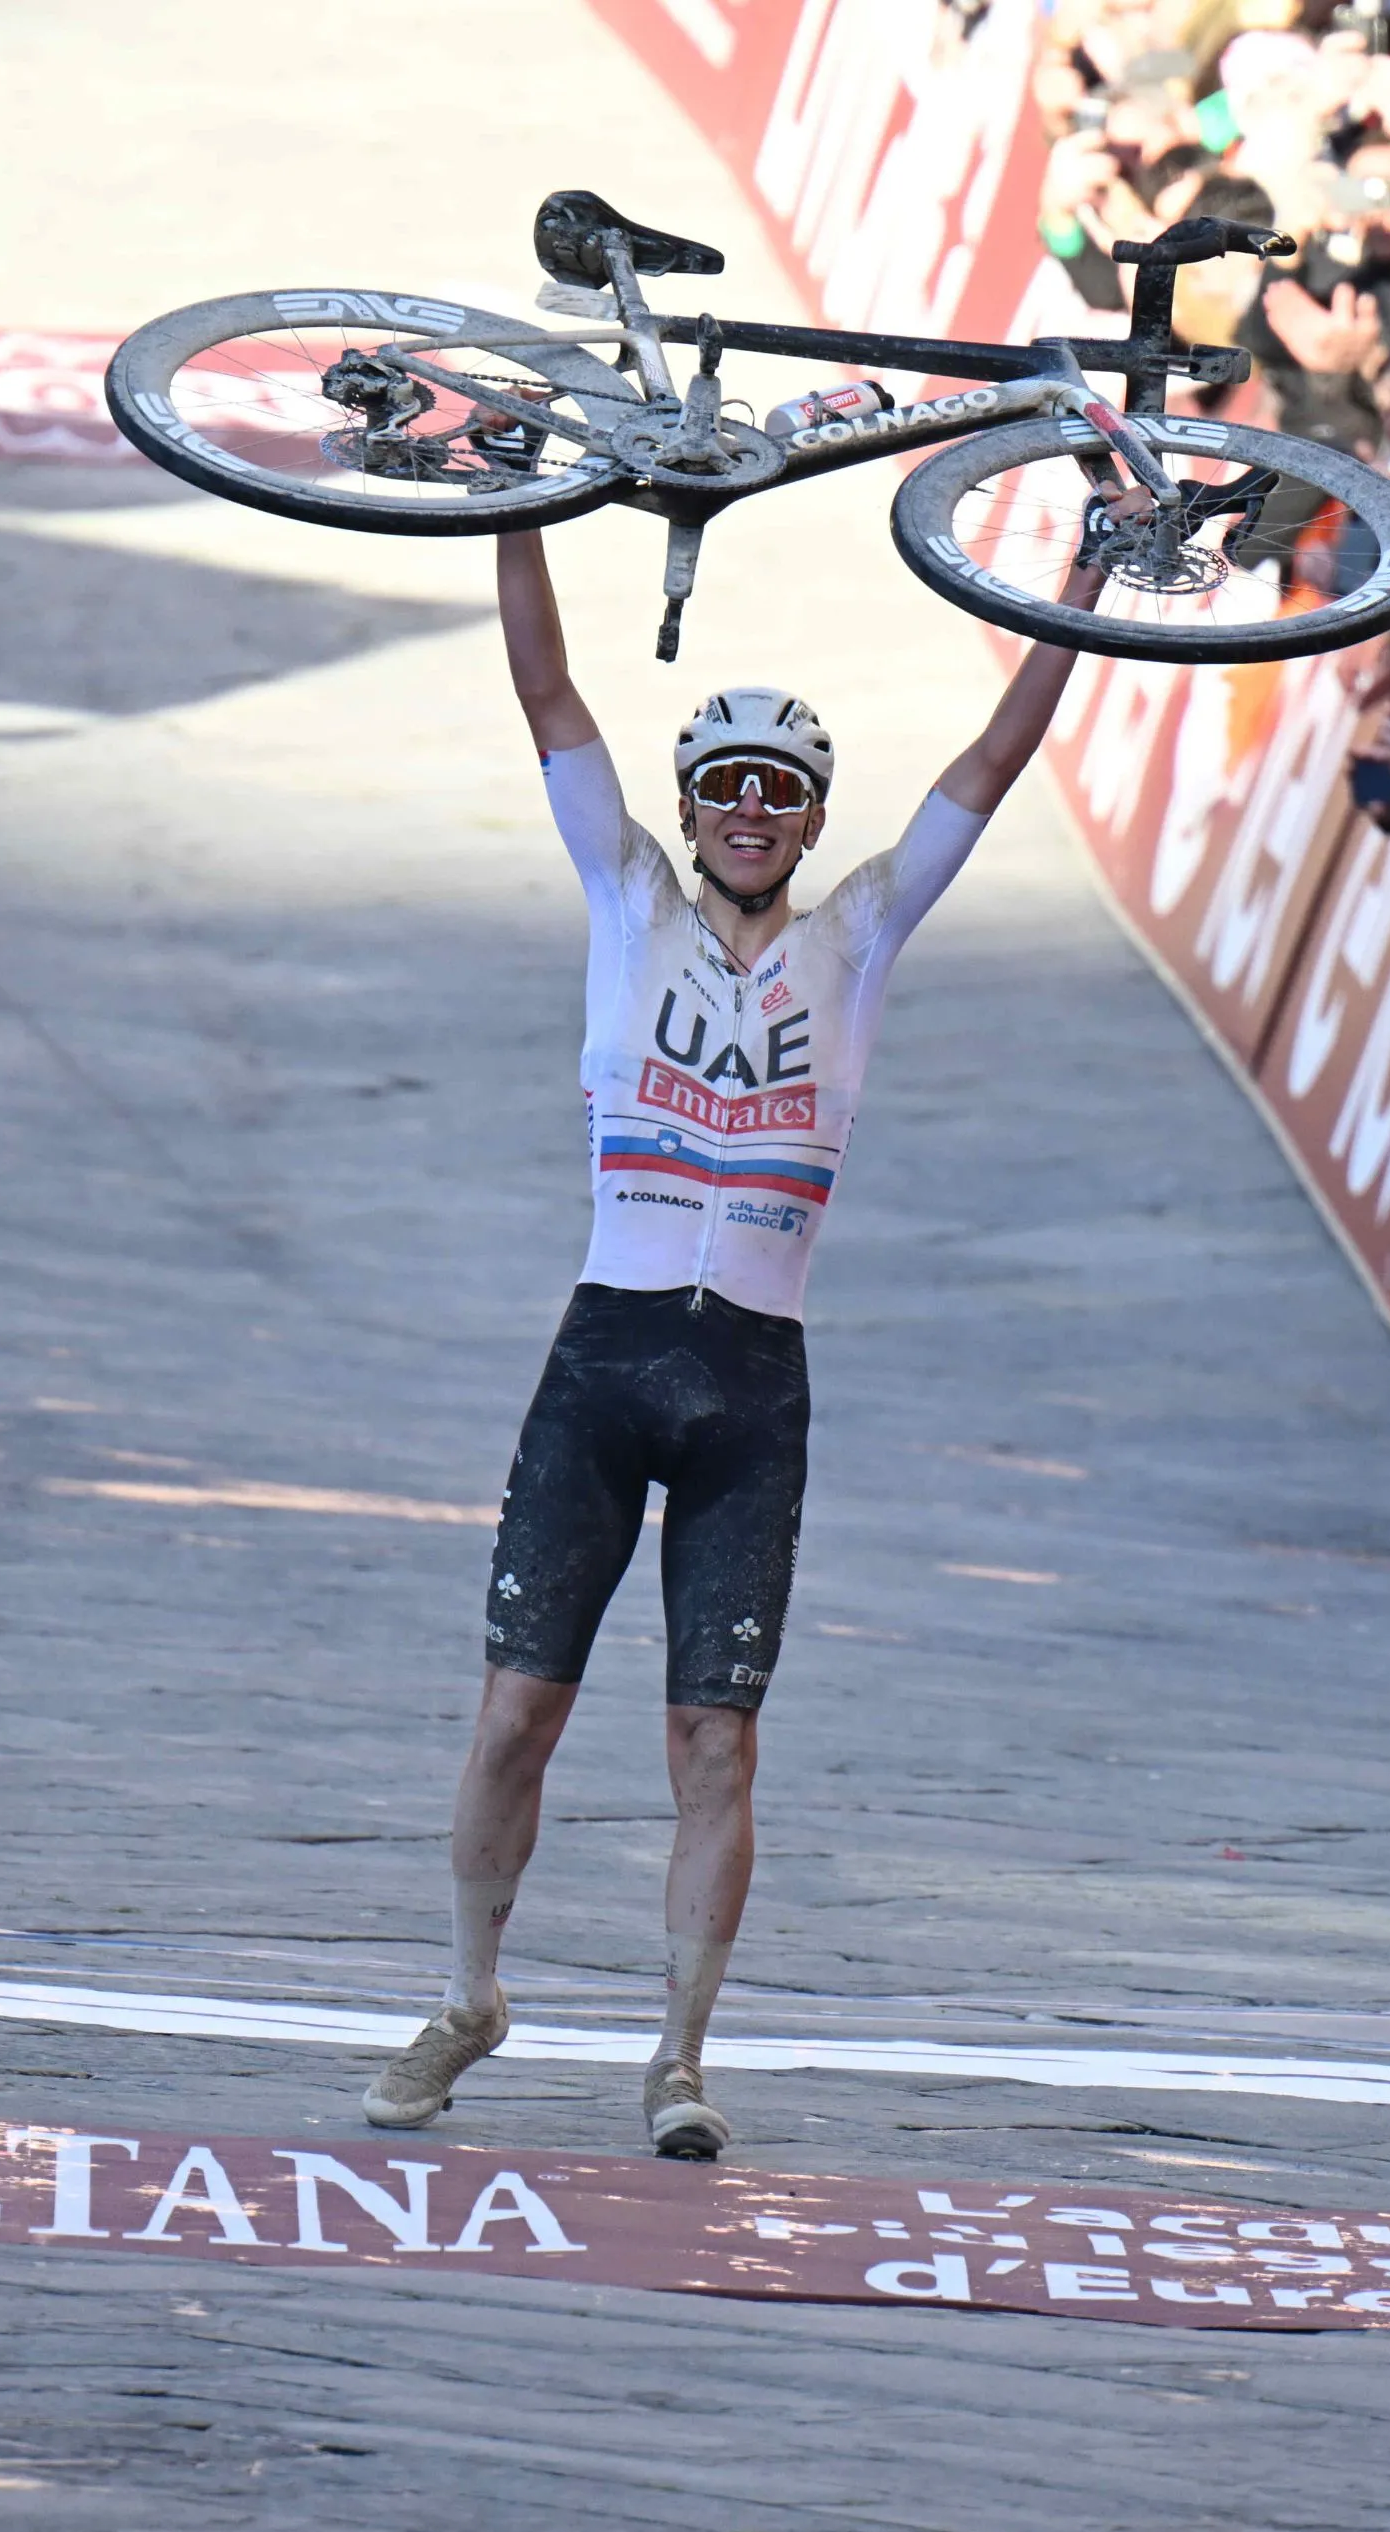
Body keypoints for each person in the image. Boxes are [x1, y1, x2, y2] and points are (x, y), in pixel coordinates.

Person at [362, 519, 1116, 2161]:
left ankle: (680, 2059)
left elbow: (996, 756)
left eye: (783, 794)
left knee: (716, 1736)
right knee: (515, 1715)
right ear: (692, 810)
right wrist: (519, 508)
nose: (753, 813)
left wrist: (1085, 586)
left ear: (816, 821)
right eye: (728, 789)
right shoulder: (626, 898)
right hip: (606, 1356)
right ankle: (469, 1998)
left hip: (752, 1384)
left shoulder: (862, 933)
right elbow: (548, 689)